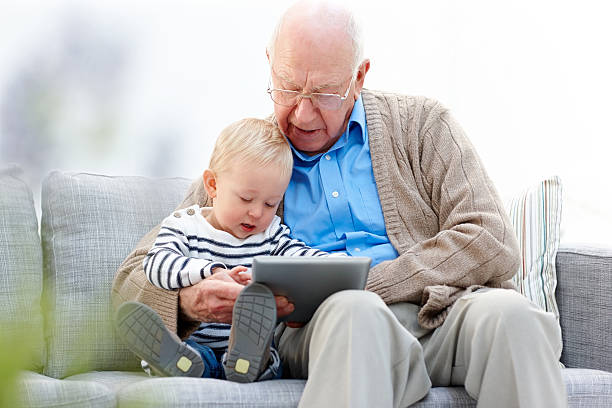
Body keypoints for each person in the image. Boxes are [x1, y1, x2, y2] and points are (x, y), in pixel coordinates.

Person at [112, 1, 567, 407]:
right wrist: (191, 300)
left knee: (515, 319)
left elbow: (491, 239)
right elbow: (130, 280)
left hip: (442, 314)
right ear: (270, 66)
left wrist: (370, 282)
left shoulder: (423, 125)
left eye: (324, 94)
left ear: (359, 76)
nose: (303, 114)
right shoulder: (252, 164)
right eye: (288, 88)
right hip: (328, 328)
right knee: (354, 312)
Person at [115, 118, 335, 383]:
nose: (256, 212)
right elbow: (157, 264)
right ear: (212, 185)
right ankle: (179, 360)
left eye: (270, 203)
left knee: (270, 360)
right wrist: (210, 272)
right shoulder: (185, 226)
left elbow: (301, 256)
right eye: (246, 198)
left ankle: (245, 362)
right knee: (192, 355)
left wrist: (333, 264)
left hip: (246, 354)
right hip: (199, 347)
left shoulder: (271, 235)